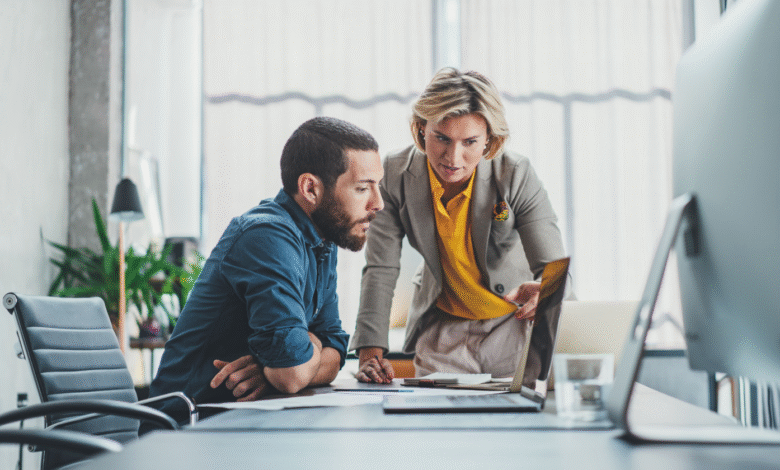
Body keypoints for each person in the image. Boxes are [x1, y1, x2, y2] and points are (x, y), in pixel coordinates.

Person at [148, 116, 384, 418]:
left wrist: (272, 366)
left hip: (245, 421)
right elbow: (292, 375)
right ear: (310, 188)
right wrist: (296, 357)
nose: (378, 203)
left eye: (377, 186)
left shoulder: (322, 241)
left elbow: (335, 348)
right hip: (186, 429)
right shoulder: (267, 237)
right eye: (363, 188)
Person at [350, 68, 566, 383]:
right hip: (443, 334)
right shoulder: (394, 175)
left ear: (489, 140)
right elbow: (380, 268)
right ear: (422, 128)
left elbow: (554, 267)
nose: (454, 156)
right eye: (442, 138)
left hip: (512, 328)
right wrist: (369, 353)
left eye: (470, 142)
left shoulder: (515, 174)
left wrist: (546, 293)